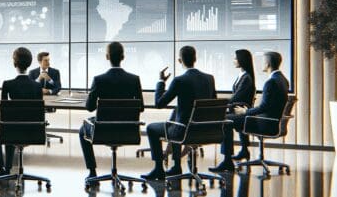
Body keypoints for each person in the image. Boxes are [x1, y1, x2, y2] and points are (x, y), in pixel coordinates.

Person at [142, 46, 217, 180]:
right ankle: (176, 166)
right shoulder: (209, 79)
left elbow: (159, 103)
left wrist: (161, 82)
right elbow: (213, 105)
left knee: (152, 128)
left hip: (184, 131)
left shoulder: (179, 80)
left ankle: (159, 169)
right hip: (205, 130)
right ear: (195, 59)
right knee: (177, 120)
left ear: (179, 60)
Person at [211, 51, 289, 172]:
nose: (260, 65)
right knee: (231, 118)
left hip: (264, 122)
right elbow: (267, 106)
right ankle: (242, 151)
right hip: (270, 120)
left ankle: (227, 161)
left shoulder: (271, 82)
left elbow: (264, 107)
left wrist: (245, 112)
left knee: (225, 121)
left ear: (267, 64)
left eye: (262, 62)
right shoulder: (283, 79)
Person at [78, 42, 144, 179]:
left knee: (82, 130)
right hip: (128, 131)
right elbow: (141, 107)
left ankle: (92, 171)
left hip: (103, 131)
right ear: (123, 57)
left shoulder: (99, 80)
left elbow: (89, 107)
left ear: (107, 57)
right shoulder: (134, 80)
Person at [0, 47, 43, 177]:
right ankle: (7, 167)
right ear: (30, 63)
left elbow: (4, 113)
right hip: (32, 132)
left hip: (11, 130)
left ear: (14, 64)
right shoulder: (37, 86)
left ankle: (2, 168)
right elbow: (39, 112)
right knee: (9, 123)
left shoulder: (7, 84)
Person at [226, 49, 257, 161]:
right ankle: (244, 150)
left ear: (241, 60)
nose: (234, 60)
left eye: (235, 58)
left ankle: (227, 158)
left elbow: (237, 96)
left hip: (243, 112)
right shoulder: (243, 75)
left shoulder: (246, 78)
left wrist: (223, 105)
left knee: (225, 122)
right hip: (239, 109)